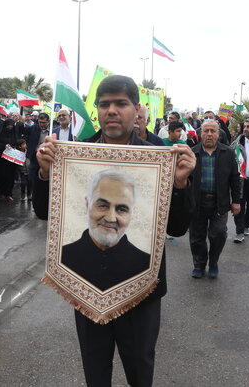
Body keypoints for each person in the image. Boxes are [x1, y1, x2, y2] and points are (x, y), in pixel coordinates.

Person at [33, 75, 195, 387]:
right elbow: (43, 213)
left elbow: (177, 227)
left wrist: (181, 183)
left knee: (139, 370)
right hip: (86, 286)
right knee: (95, 372)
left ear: (137, 110)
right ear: (96, 111)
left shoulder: (160, 156)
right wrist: (44, 171)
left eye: (120, 104)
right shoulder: (72, 155)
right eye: (104, 104)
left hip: (141, 289)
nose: (112, 110)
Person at [61, 169, 150, 291]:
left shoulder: (146, 265)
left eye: (122, 209)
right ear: (87, 205)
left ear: (132, 214)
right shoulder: (63, 257)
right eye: (103, 206)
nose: (110, 218)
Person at [189, 119, 241, 278]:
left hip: (220, 202)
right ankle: (199, 265)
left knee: (218, 234)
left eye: (213, 131)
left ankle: (213, 262)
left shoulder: (228, 153)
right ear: (200, 133)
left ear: (218, 134)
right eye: (206, 131)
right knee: (197, 237)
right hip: (197, 202)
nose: (209, 134)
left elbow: (235, 178)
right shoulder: (192, 153)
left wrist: (236, 201)